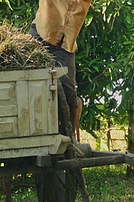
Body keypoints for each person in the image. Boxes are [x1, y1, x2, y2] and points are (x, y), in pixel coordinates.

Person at [30, 0, 90, 140]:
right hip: (41, 33)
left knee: (68, 90)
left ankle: (71, 139)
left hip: (65, 43)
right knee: (32, 87)